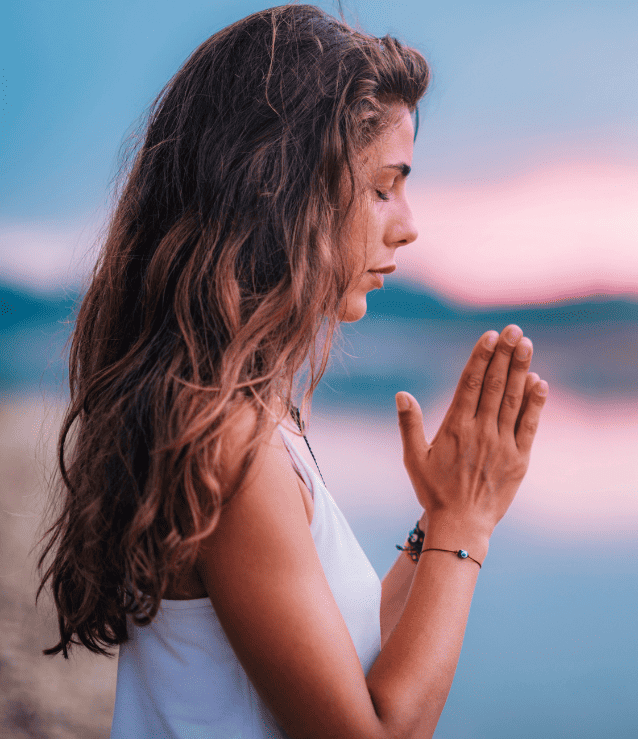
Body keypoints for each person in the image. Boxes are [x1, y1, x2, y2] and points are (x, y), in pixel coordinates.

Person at [36, 4, 549, 738]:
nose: (406, 222)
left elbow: (337, 653)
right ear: (279, 189)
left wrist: (444, 516)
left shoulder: (249, 414)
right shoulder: (230, 443)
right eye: (381, 186)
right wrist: (465, 528)